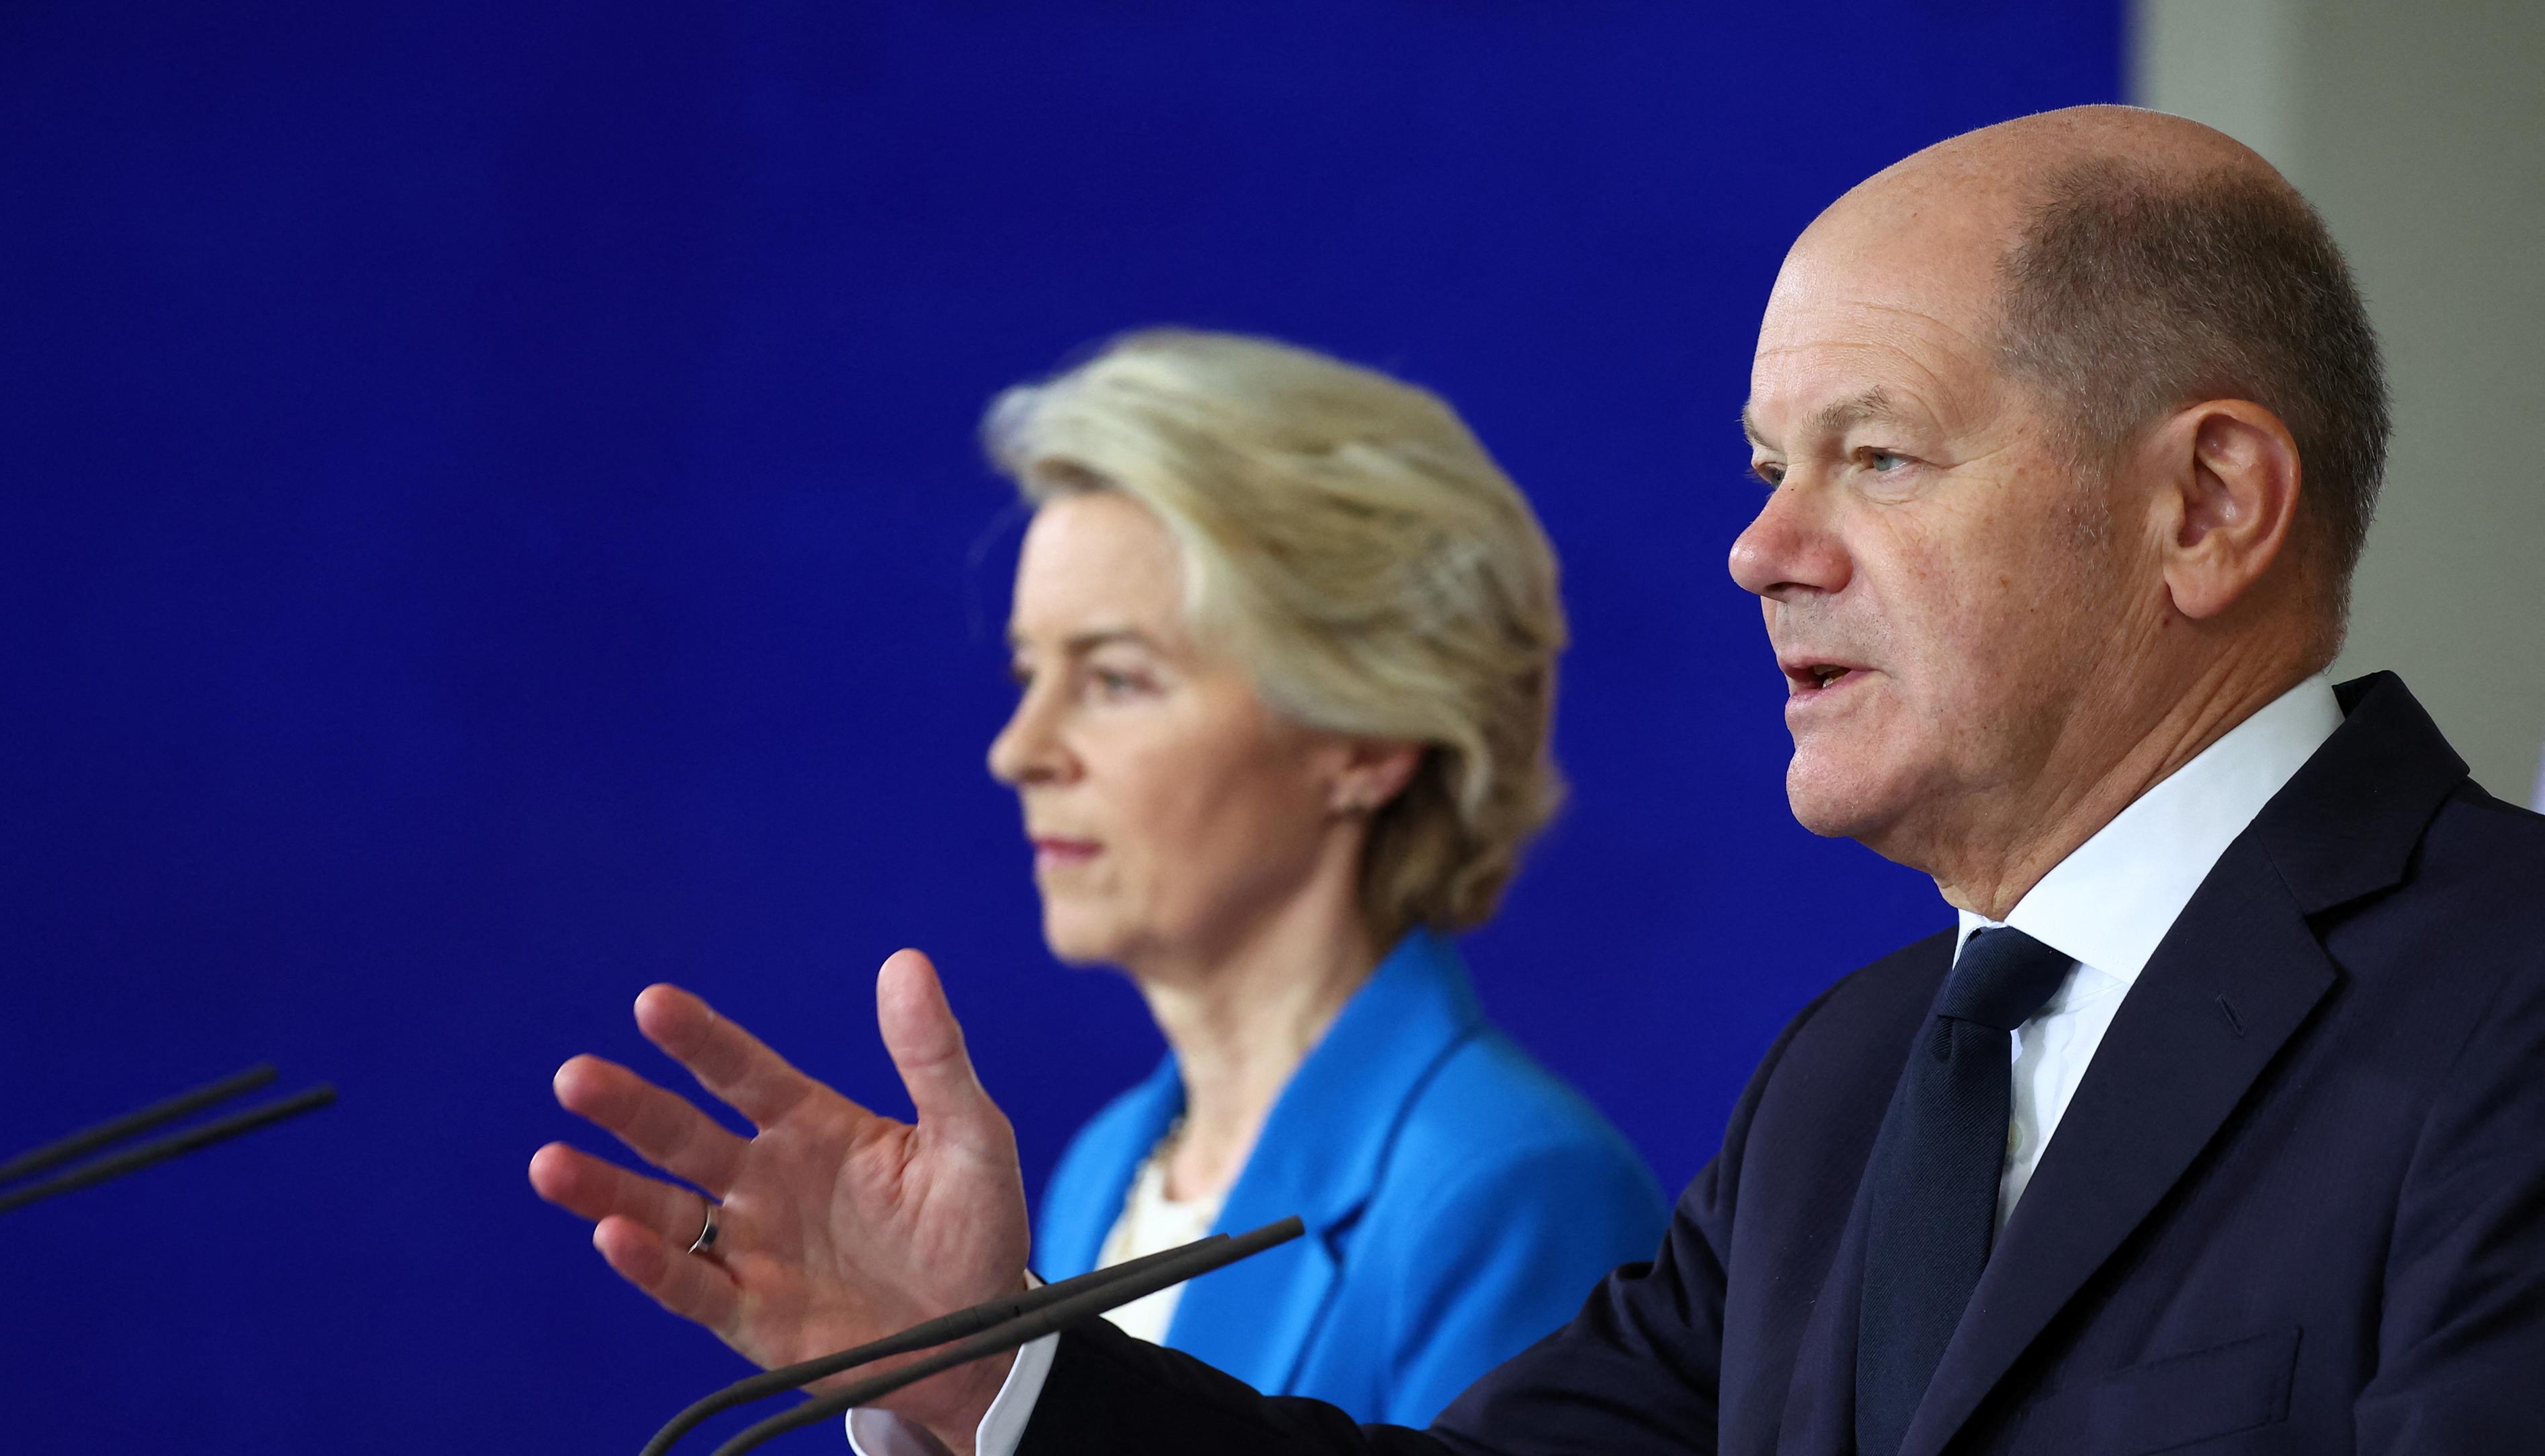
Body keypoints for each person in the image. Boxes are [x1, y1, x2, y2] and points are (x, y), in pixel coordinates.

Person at [530, 106, 2545, 1456]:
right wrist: (995, 1374)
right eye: (1768, 468)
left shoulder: (2503, 1002)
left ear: (2206, 506)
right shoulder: (1848, 1084)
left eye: (1880, 455)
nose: (1765, 549)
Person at [529, 329, 1668, 1429]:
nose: (1020, 749)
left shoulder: (1512, 1189)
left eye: (1116, 680)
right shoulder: (1105, 1166)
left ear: (1366, 741)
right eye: (1031, 670)